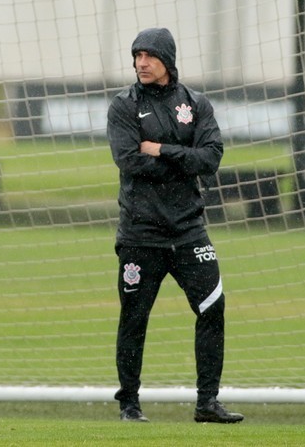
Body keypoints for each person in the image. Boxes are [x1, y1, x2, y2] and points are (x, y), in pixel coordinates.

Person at [106, 27, 243, 424]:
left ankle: (207, 404)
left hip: (188, 232)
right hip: (141, 233)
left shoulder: (195, 104)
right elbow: (130, 161)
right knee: (134, 318)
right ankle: (129, 404)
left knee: (213, 309)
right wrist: (183, 160)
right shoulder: (123, 106)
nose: (141, 63)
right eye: (137, 55)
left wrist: (163, 150)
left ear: (167, 59)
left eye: (149, 55)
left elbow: (212, 158)